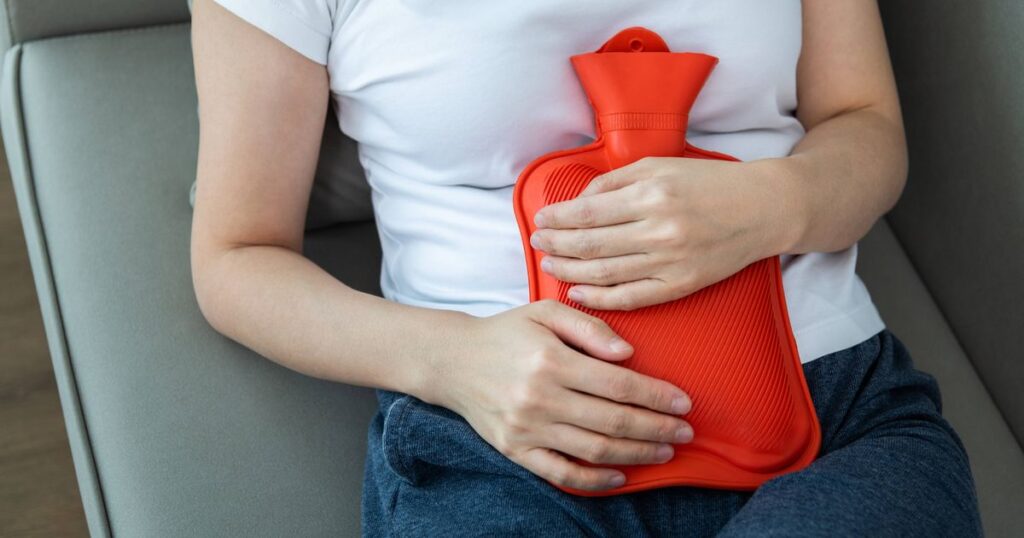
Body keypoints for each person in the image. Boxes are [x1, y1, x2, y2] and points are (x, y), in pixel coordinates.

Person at [189, 0, 982, 535]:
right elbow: (237, 257)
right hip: (501, 446)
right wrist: (450, 359)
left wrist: (779, 200)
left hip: (830, 410)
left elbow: (863, 123)